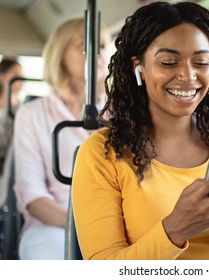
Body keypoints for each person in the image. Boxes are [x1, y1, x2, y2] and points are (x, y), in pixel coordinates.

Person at [72, 1, 209, 260]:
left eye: (201, 62)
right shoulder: (101, 152)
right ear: (139, 68)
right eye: (168, 62)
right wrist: (176, 229)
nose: (188, 76)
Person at [13, 17, 109, 259]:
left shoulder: (122, 111)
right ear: (60, 53)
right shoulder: (32, 114)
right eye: (85, 45)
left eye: (103, 46)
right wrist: (84, 228)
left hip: (114, 221)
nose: (97, 53)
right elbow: (33, 196)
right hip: (53, 225)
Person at [0, 58, 24, 177]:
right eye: (16, 74)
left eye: (22, 75)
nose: (21, 79)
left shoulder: (24, 109)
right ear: (2, 76)